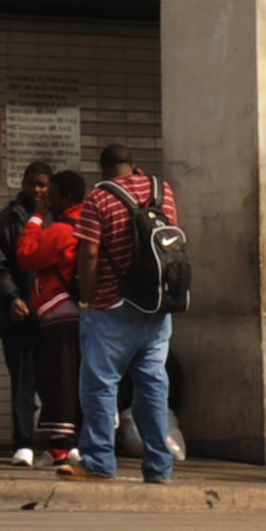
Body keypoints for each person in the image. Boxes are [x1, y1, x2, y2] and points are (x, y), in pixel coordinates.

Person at [65, 146, 179, 484]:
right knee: (153, 384)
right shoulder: (163, 190)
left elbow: (89, 253)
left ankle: (98, 461)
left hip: (111, 307)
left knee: (101, 384)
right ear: (132, 166)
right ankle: (159, 466)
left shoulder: (99, 198)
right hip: (158, 307)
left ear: (103, 169)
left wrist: (86, 298)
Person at [14, 169, 86, 463]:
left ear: (66, 197)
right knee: (82, 380)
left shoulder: (62, 230)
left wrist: (34, 219)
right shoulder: (91, 223)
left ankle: (60, 445)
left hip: (60, 315)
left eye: (53, 194)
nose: (47, 199)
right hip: (90, 316)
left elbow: (27, 254)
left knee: (58, 382)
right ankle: (84, 440)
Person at [0, 163, 52, 465]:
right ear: (23, 184)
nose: (37, 190)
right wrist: (11, 298)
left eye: (43, 185)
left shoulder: (58, 217)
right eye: (32, 184)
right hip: (19, 314)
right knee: (23, 381)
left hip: (52, 312)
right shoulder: (6, 220)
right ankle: (24, 441)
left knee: (56, 381)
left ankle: (60, 441)